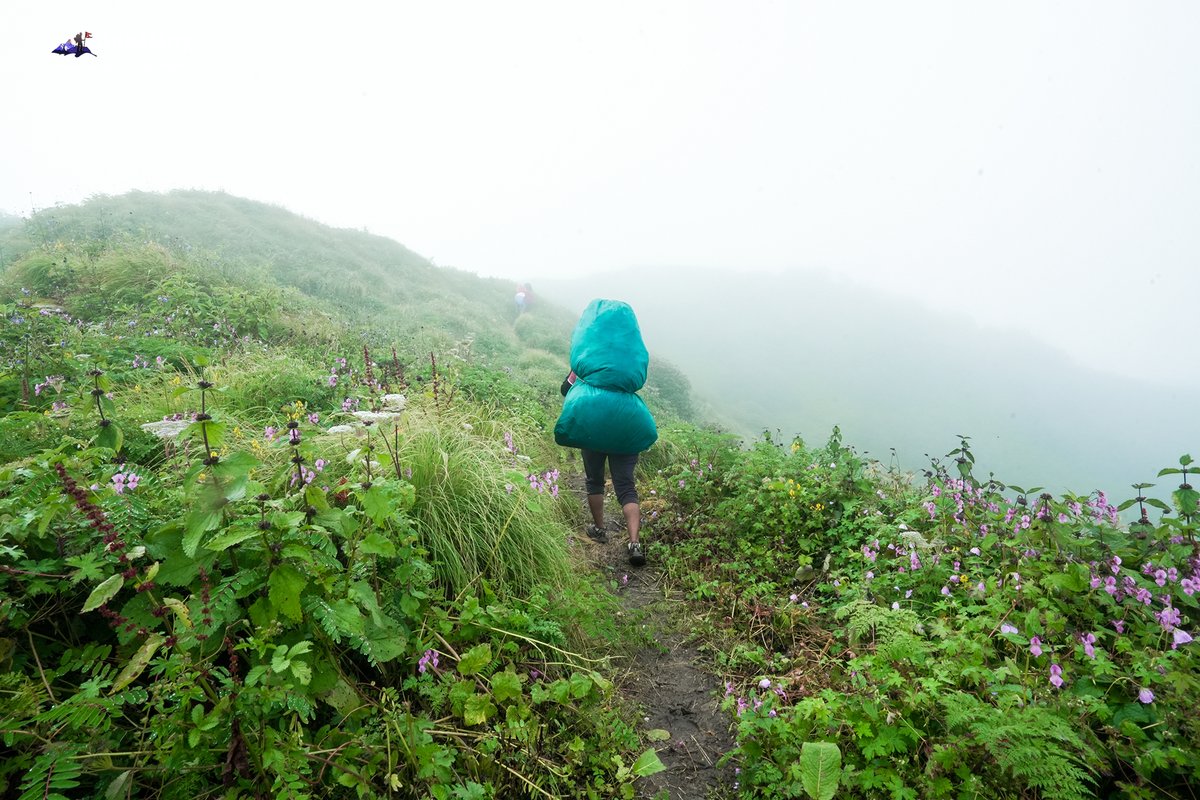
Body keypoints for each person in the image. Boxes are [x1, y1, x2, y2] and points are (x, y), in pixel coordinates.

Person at [554, 300, 657, 566]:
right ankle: (635, 543)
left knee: (594, 479)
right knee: (626, 485)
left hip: (592, 423)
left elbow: (565, 389)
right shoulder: (628, 361)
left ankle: (599, 530)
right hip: (627, 422)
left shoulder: (584, 363)